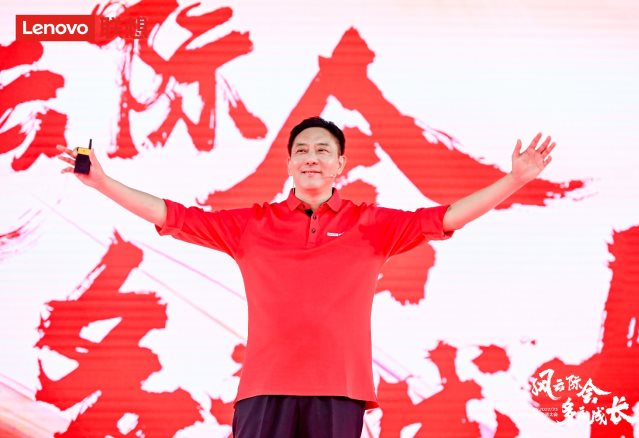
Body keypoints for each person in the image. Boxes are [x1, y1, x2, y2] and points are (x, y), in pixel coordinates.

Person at [57, 117, 555, 437]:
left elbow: (445, 217)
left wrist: (513, 180)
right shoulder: (253, 225)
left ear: (340, 164)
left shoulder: (371, 224)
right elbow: (173, 216)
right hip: (263, 389)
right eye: (301, 150)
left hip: (339, 390)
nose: (311, 157)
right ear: (291, 164)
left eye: (322, 149)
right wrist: (101, 182)